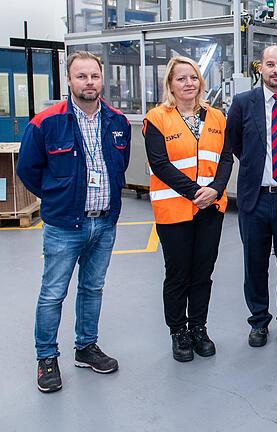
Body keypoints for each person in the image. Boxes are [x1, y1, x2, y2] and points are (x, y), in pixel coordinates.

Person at [18, 51, 130, 393]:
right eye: (81, 77)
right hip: (65, 226)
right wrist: (57, 198)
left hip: (104, 223)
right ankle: (47, 358)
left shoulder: (117, 121)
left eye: (94, 76)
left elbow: (119, 166)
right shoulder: (46, 122)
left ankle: (86, 347)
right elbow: (28, 170)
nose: (89, 82)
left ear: (102, 79)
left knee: (92, 289)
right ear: (69, 80)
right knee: (53, 293)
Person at [143, 56, 233, 362]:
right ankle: (178, 332)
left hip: (211, 209)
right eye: (181, 78)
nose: (188, 83)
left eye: (193, 77)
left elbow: (226, 159)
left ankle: (198, 327)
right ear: (170, 84)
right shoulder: (157, 118)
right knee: (178, 273)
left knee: (203, 273)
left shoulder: (217, 117)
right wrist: (196, 192)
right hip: (175, 210)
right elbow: (160, 163)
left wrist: (216, 190)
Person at [226, 46, 277, 348]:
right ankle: (259, 321)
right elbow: (235, 144)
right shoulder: (242, 103)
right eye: (270, 64)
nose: (276, 70)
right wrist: (257, 169)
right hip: (254, 199)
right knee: (255, 264)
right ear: (260, 67)